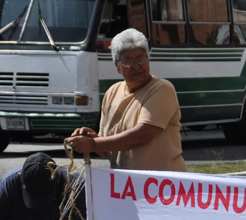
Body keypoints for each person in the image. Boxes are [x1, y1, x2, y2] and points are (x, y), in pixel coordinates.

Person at [67, 28, 187, 172]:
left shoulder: (162, 89)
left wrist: (93, 144)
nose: (136, 66)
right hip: (127, 187)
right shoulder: (112, 92)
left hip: (163, 186)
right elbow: (106, 150)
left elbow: (141, 135)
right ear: (117, 66)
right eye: (128, 61)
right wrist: (92, 138)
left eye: (141, 59)